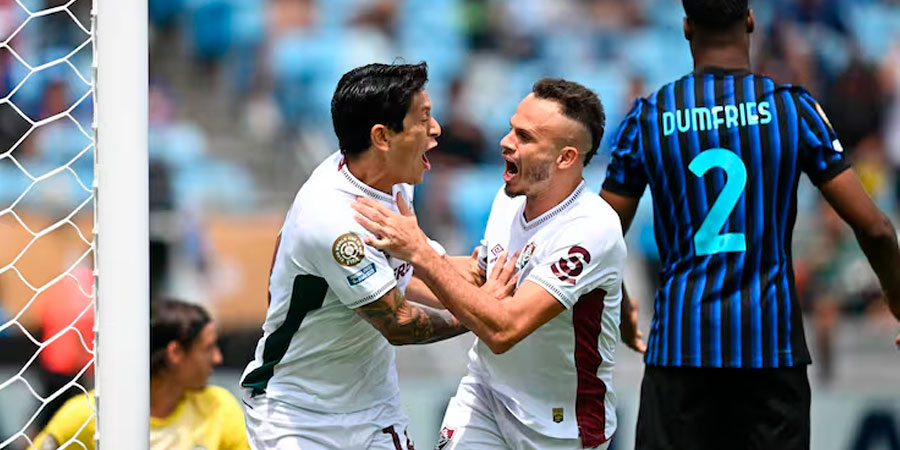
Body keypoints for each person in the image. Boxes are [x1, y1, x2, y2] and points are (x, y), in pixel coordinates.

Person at [598, 1, 900, 449]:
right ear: (751, 20)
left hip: (680, 351)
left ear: (686, 28)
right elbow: (875, 228)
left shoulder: (649, 117)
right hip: (771, 353)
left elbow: (599, 240)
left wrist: (621, 305)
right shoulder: (793, 110)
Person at [239, 62, 511, 450]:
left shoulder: (393, 181)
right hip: (296, 415)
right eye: (423, 119)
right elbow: (399, 324)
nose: (436, 129)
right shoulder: (333, 218)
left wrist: (511, 269)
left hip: (375, 410)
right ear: (382, 136)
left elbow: (414, 272)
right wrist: (480, 313)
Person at [353, 78, 627, 450]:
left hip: (560, 426)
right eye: (512, 128)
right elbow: (480, 279)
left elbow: (504, 329)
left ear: (565, 158)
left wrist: (419, 251)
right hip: (485, 396)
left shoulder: (592, 228)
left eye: (525, 137)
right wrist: (379, 264)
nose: (505, 141)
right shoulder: (508, 198)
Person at [33, 298, 249, 450]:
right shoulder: (92, 413)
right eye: (208, 348)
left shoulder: (219, 408)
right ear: (175, 353)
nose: (217, 358)